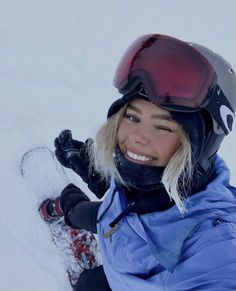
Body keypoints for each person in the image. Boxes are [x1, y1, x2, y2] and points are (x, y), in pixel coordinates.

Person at [39, 34, 236, 290]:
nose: (136, 138)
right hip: (117, 229)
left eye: (163, 127)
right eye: (132, 117)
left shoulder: (212, 245)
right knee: (80, 216)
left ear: (198, 147)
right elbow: (142, 197)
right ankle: (70, 215)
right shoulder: (158, 172)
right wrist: (94, 168)